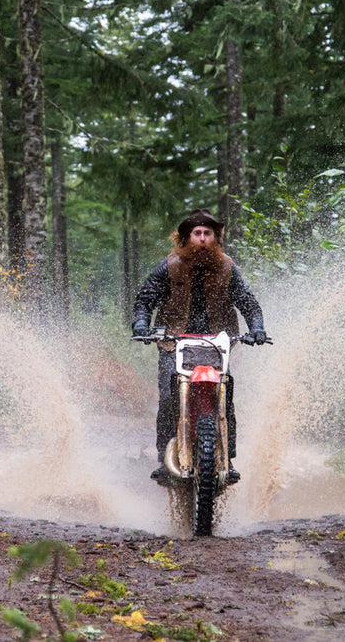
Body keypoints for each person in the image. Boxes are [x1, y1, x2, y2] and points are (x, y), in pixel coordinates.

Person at [131, 208, 268, 485]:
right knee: (169, 397)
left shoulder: (228, 267)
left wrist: (257, 328)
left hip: (217, 342)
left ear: (215, 238)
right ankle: (163, 460)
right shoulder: (168, 266)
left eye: (208, 233)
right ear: (186, 237)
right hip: (174, 341)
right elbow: (144, 299)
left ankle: (226, 458)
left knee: (225, 396)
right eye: (197, 233)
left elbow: (249, 303)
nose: (203, 239)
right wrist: (141, 325)